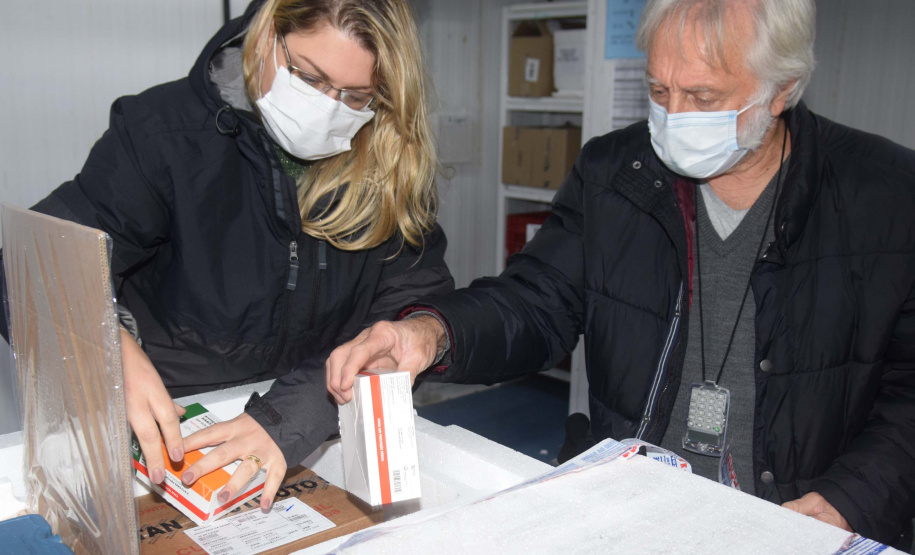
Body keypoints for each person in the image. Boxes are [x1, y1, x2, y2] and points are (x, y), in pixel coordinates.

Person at [326, 0, 915, 548]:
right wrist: (432, 334)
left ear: (782, 89)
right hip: (632, 509)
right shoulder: (616, 173)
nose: (674, 117)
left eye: (704, 98)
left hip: (786, 520)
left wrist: (851, 499)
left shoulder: (885, 196)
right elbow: (537, 300)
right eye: (658, 90)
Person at [1, 0, 453, 510]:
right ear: (266, 36)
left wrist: (291, 416)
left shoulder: (388, 157)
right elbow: (27, 269)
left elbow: (412, 304)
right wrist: (105, 345)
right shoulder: (161, 133)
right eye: (309, 77)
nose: (328, 106)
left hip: (313, 421)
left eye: (355, 97)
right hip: (171, 422)